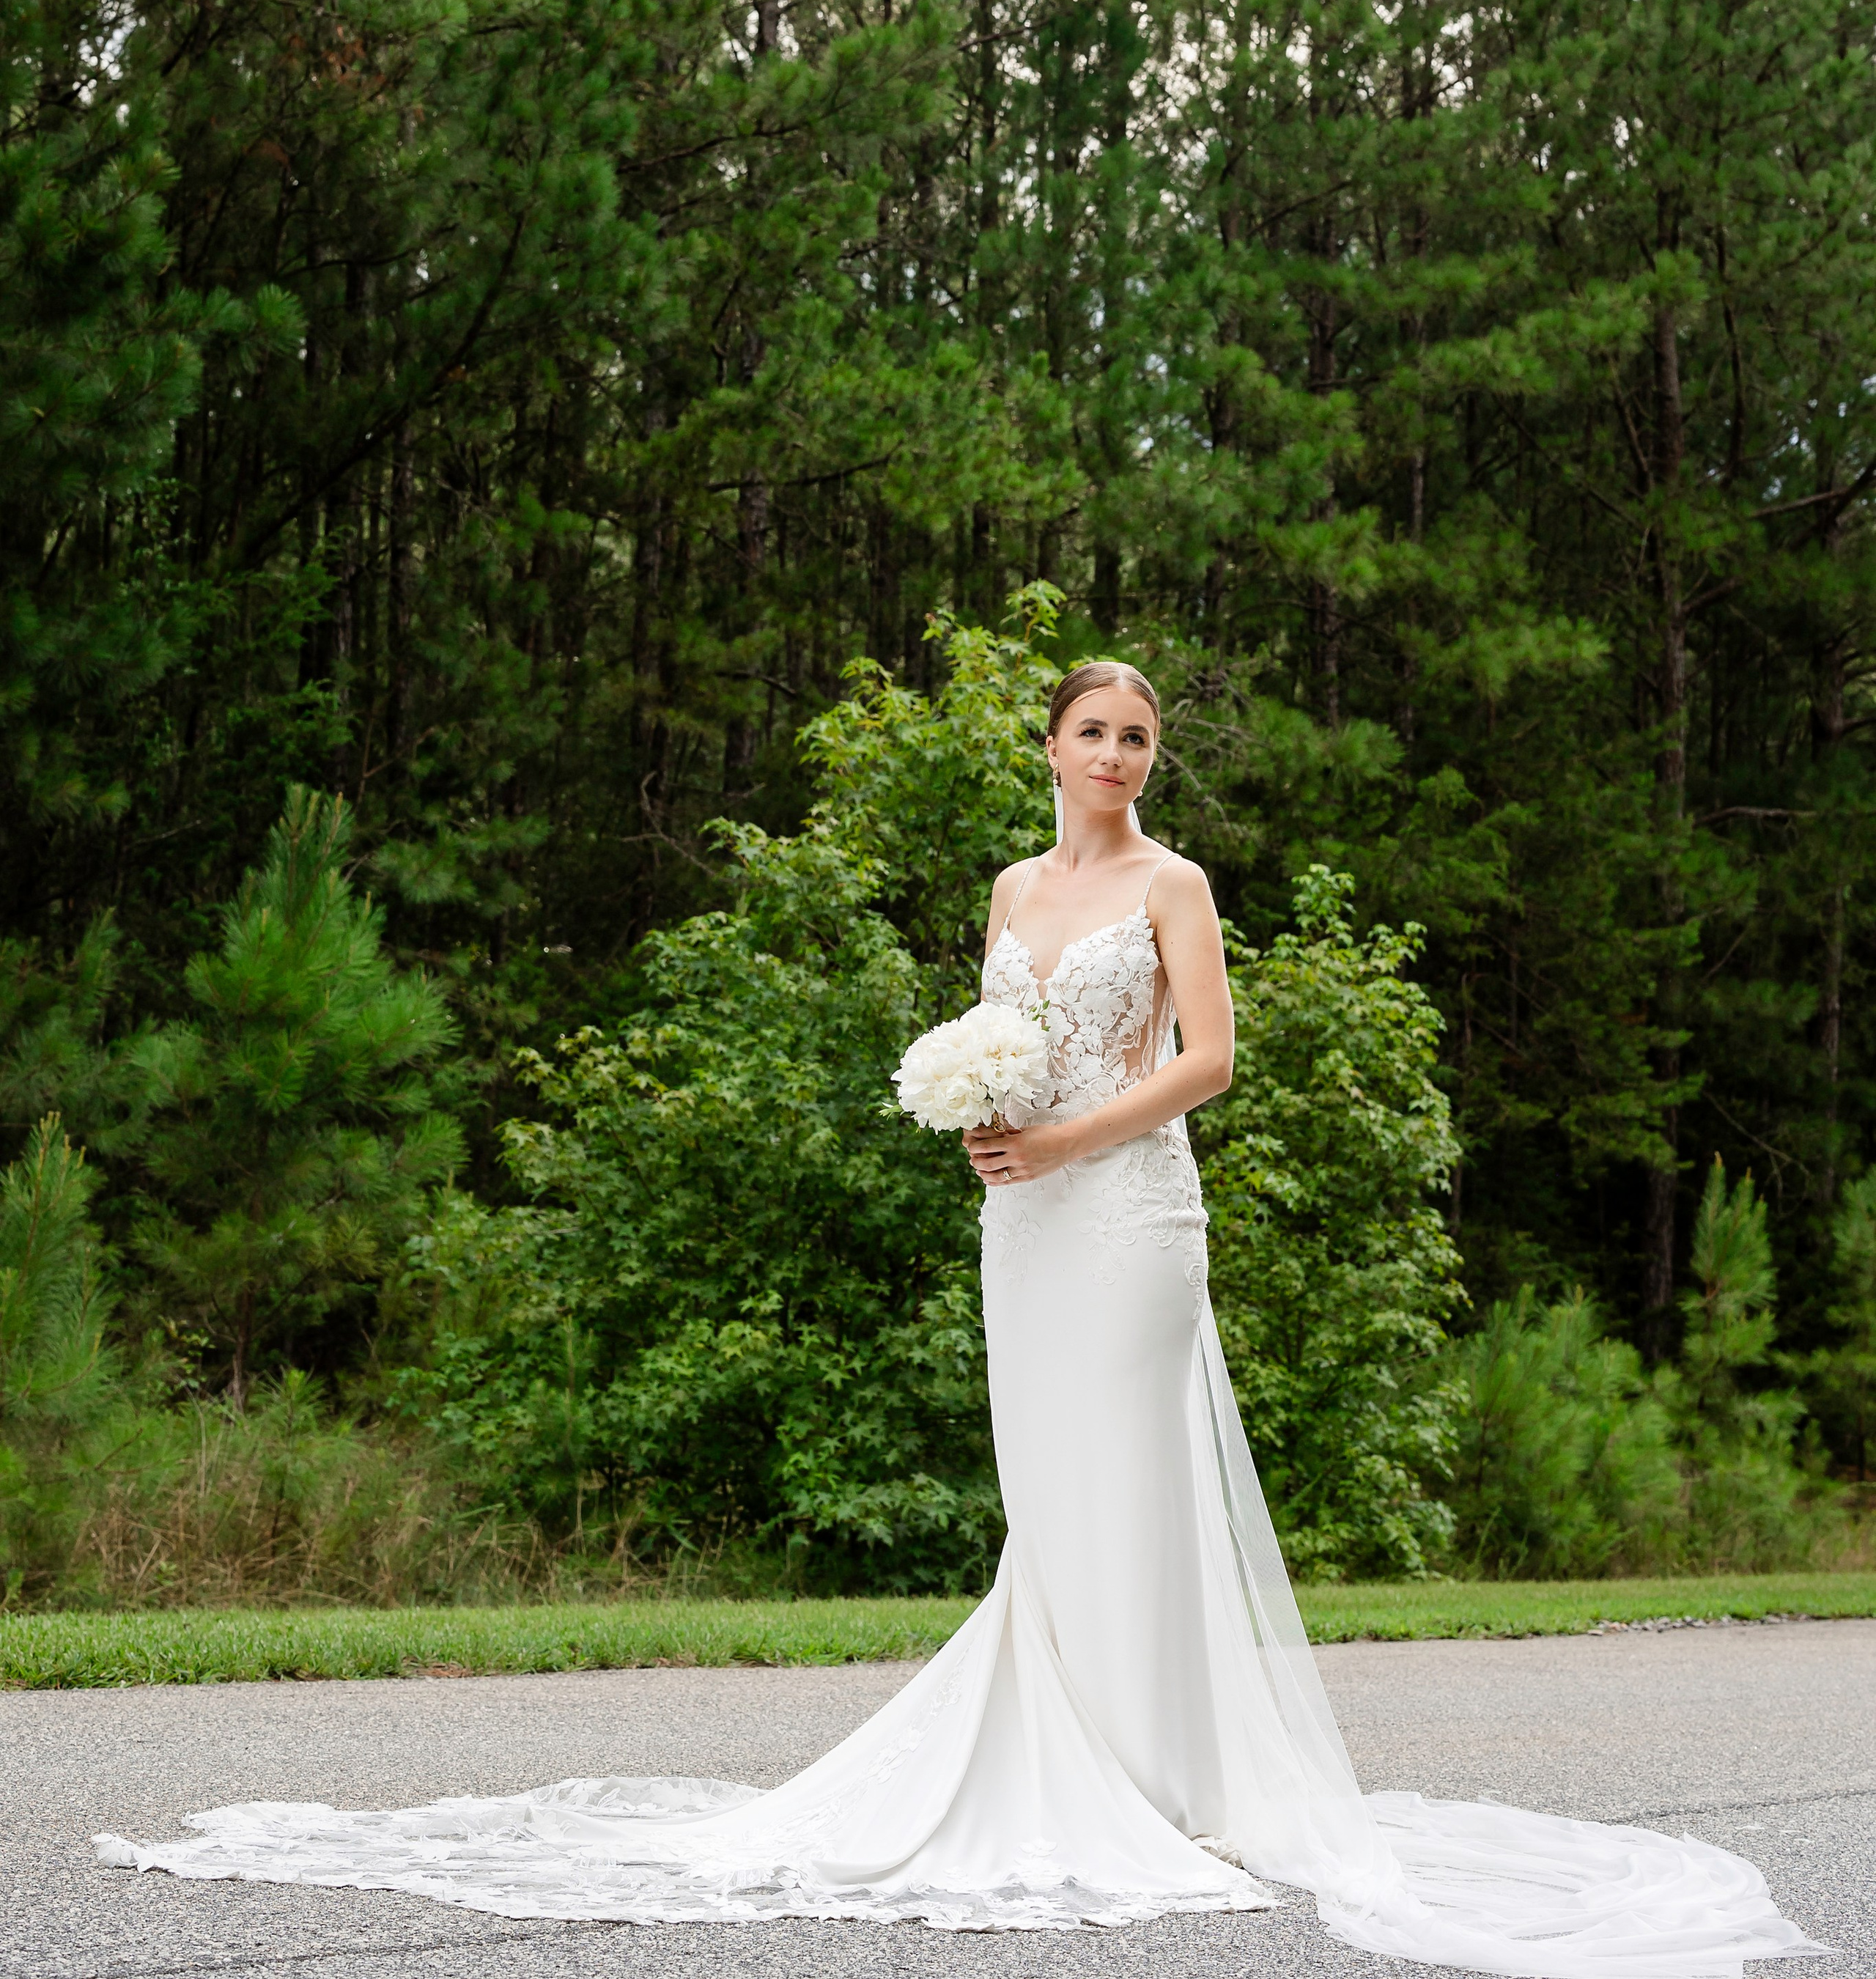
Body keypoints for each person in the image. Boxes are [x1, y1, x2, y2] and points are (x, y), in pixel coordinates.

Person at [100, 661, 1822, 1972]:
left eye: (1141, 737)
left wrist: (1065, 1129)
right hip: (1022, 1228)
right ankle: (1058, 1745)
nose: (1117, 757)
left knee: (1129, 1478)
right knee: (1046, 1487)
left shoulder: (1176, 890)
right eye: (1096, 731)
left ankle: (1162, 1779)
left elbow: (1209, 1059)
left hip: (1133, 1214)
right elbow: (996, 1035)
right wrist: (979, 1113)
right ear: (1052, 747)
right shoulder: (1010, 892)